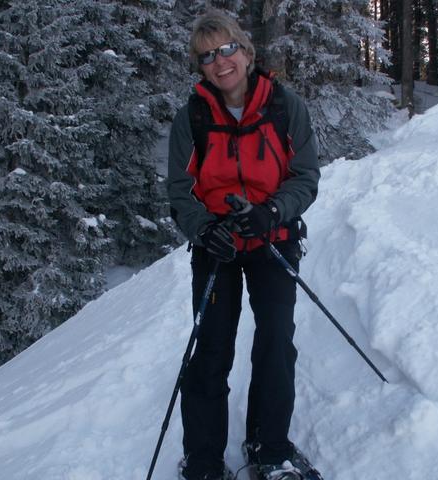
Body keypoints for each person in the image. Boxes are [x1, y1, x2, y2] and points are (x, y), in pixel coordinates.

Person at [167, 10, 320, 480]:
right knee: (212, 348)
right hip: (218, 247)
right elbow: (179, 190)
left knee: (275, 343)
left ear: (246, 51)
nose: (220, 61)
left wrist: (271, 211)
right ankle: (203, 461)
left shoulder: (284, 106)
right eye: (207, 56)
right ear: (200, 67)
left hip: (272, 238)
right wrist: (203, 228)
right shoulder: (193, 117)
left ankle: (269, 450)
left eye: (227, 48)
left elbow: (305, 177)